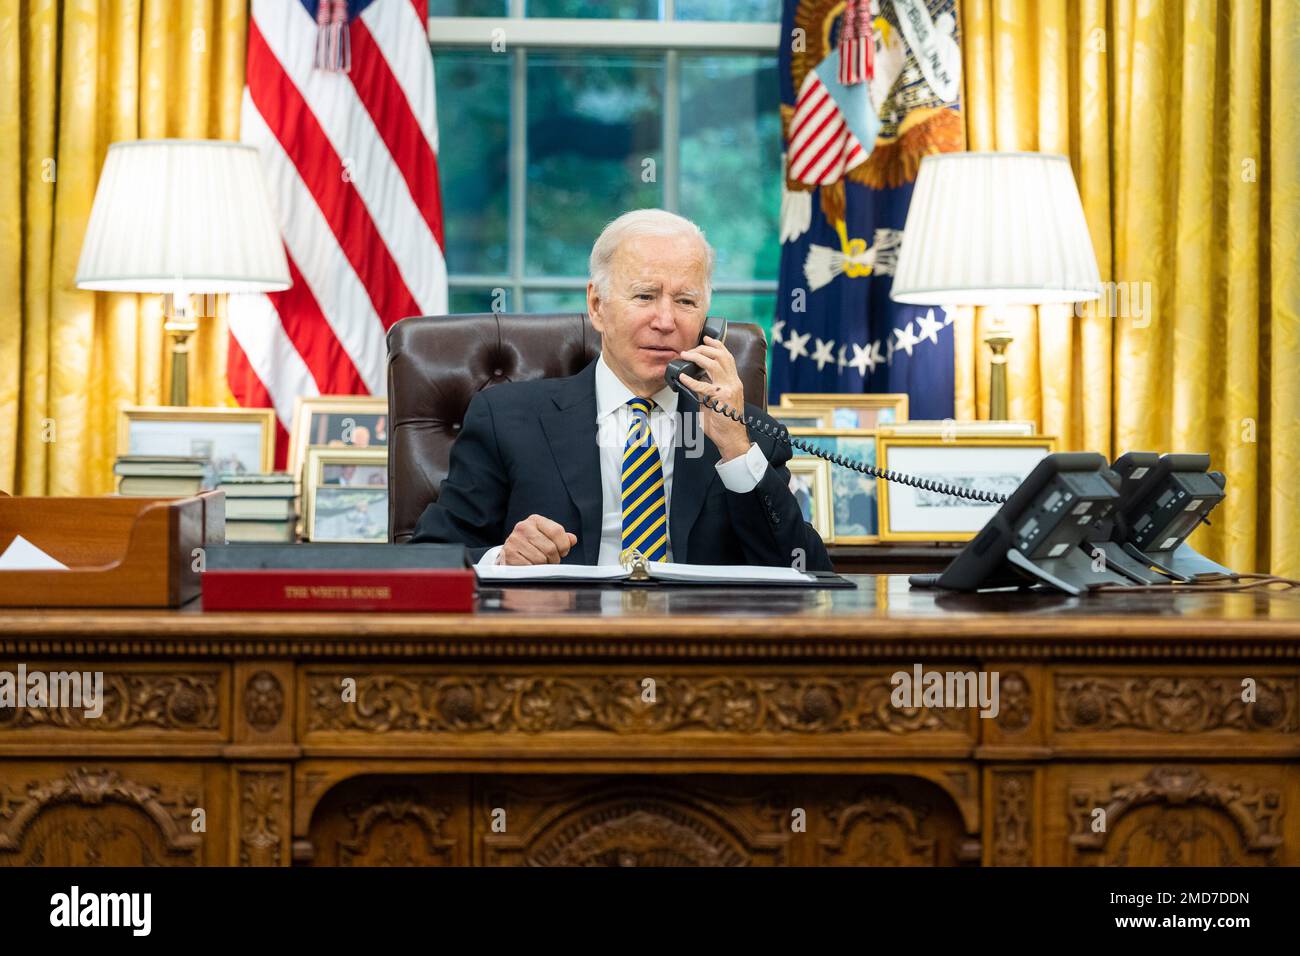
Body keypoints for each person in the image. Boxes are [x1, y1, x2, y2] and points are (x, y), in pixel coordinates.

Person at [410, 208, 832, 571]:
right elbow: (429, 556)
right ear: (597, 306)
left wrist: (737, 452)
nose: (665, 321)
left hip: (700, 654)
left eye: (685, 302)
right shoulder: (506, 419)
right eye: (645, 296)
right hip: (564, 649)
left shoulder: (743, 432)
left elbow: (808, 574)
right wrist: (503, 558)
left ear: (706, 318)